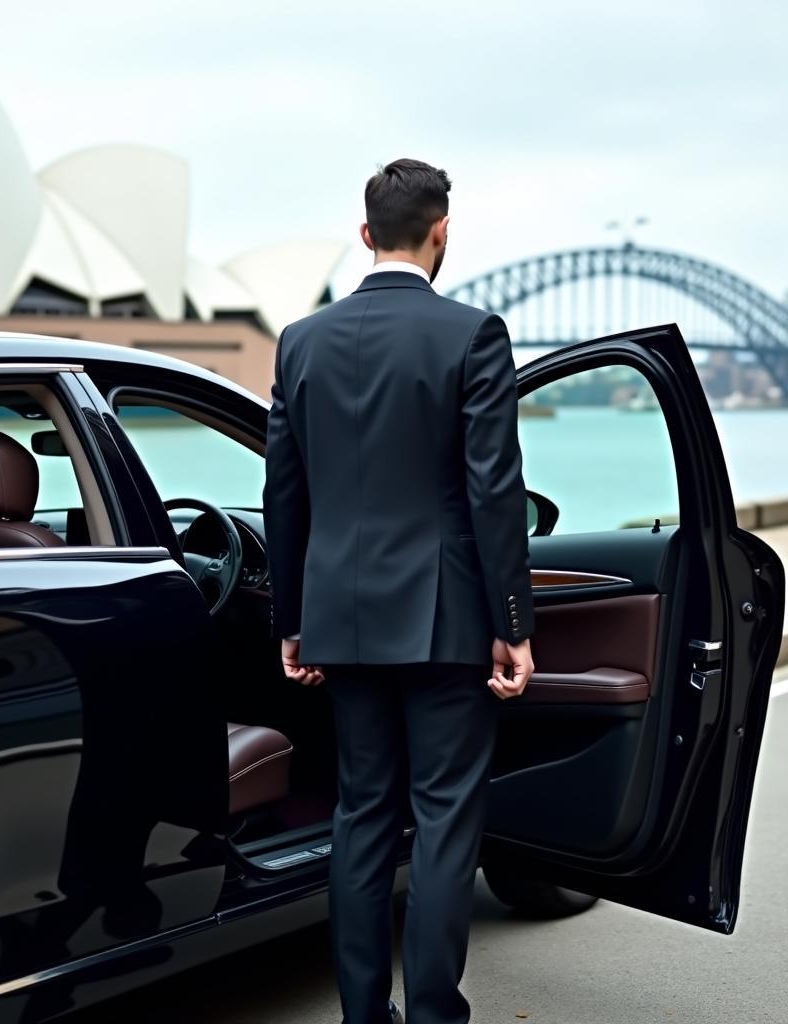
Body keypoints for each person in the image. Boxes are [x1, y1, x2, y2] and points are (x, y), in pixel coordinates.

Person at [263, 158, 535, 1024]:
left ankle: (360, 1014)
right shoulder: (472, 334)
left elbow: (285, 495)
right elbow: (493, 492)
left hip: (341, 622)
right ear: (441, 231)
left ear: (366, 232)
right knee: (447, 820)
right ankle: (433, 1015)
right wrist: (514, 624)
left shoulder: (300, 341)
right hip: (446, 622)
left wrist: (292, 621)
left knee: (362, 816)